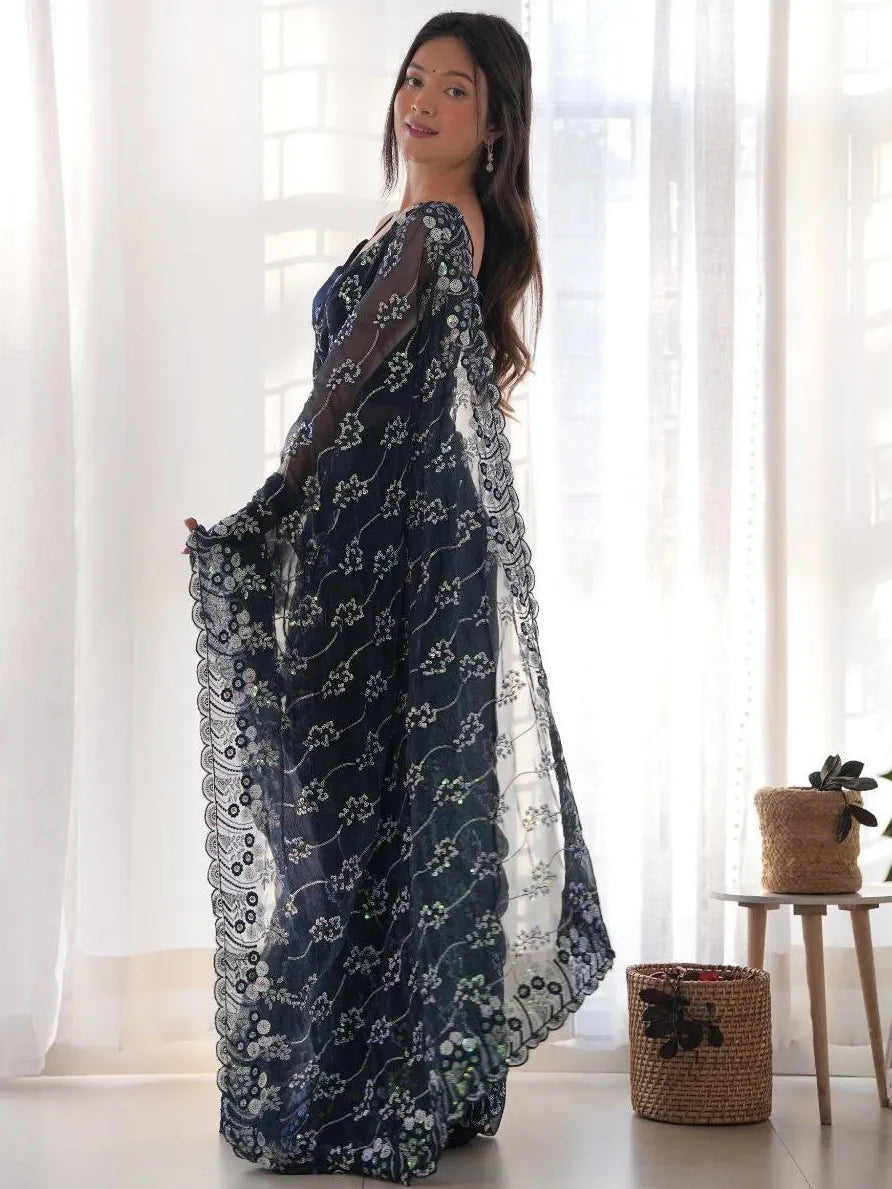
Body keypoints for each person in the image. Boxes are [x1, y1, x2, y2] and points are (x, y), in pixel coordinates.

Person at [183, 11, 613, 1184]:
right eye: (413, 80)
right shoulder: (434, 226)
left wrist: (263, 511)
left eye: (454, 90)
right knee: (386, 814)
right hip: (398, 560)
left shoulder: (433, 225)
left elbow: (337, 397)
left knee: (347, 816)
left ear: (494, 123)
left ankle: (369, 1083)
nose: (419, 102)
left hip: (382, 568)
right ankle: (413, 1072)